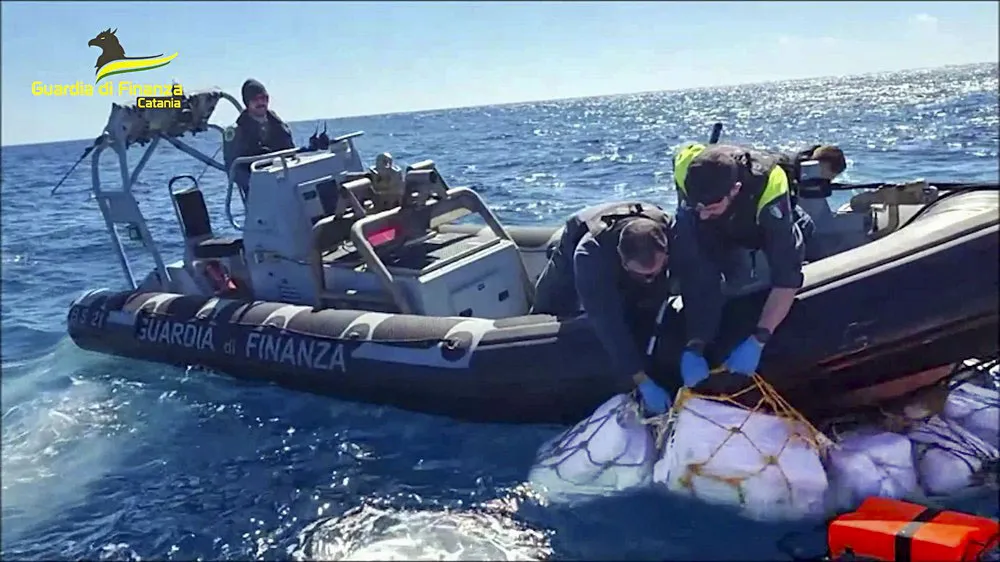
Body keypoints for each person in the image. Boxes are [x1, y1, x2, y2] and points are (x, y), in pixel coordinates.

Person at [670, 142, 810, 386]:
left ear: (734, 190)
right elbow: (696, 272)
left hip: (756, 218)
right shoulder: (686, 168)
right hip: (716, 218)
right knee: (694, 253)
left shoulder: (770, 185)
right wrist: (696, 343)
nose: (703, 214)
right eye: (699, 206)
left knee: (789, 245)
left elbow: (787, 276)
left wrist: (759, 339)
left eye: (710, 207)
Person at [530, 201, 676, 415]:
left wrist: (696, 344)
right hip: (579, 235)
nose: (649, 280)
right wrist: (640, 379)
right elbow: (608, 321)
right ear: (622, 261)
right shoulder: (590, 256)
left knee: (649, 300)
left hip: (640, 221)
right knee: (548, 305)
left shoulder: (673, 233)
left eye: (655, 271)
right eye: (643, 275)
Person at [224, 78, 296, 199]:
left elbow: (292, 154)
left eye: (264, 98)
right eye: (255, 99)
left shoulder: (280, 125)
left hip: (288, 188)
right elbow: (233, 170)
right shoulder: (236, 131)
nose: (261, 102)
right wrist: (259, 184)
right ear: (247, 103)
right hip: (259, 197)